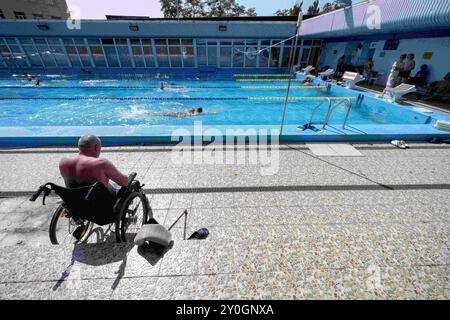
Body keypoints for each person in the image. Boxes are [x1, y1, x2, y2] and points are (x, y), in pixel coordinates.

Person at [59, 135, 129, 196]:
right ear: (96, 147)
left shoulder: (64, 161)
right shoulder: (101, 163)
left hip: (74, 202)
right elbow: (124, 182)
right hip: (99, 204)